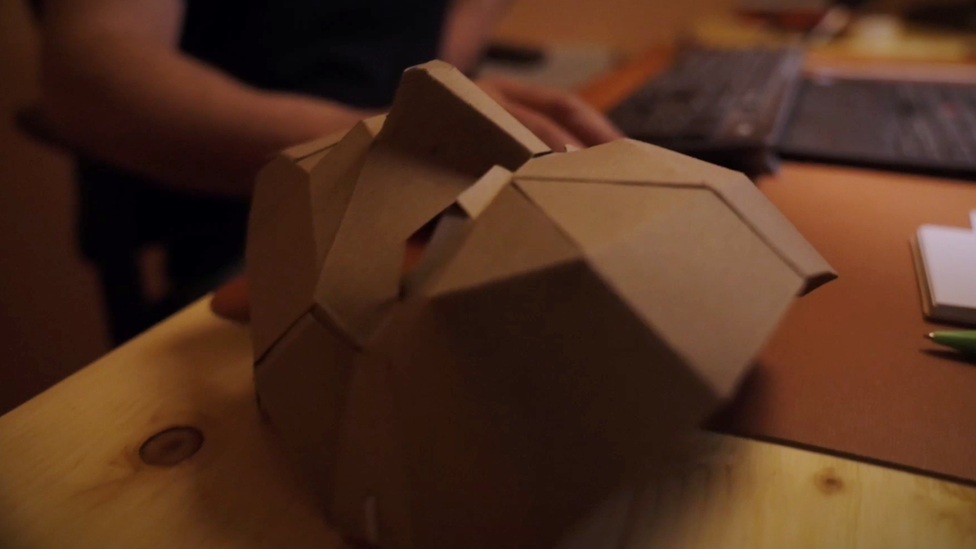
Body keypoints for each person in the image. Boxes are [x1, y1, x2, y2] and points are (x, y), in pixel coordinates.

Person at [37, 0, 623, 345]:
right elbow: (91, 75)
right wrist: (384, 143)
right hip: (255, 239)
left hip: (413, 193)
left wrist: (430, 126)